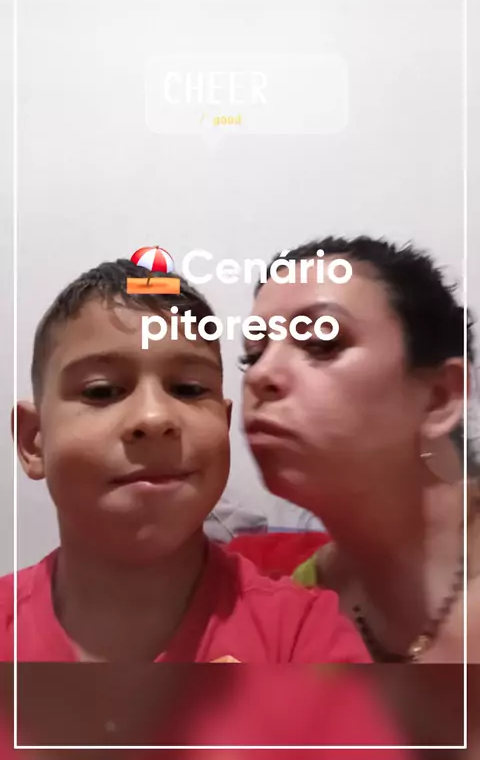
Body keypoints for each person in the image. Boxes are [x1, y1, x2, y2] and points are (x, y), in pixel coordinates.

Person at [0, 258, 416, 751]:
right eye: (103, 391)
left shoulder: (301, 637)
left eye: (188, 389)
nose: (154, 417)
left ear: (223, 421)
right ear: (33, 441)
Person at [241, 235, 479, 665]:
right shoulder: (293, 608)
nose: (260, 376)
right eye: (253, 355)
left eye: (322, 342)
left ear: (439, 398)